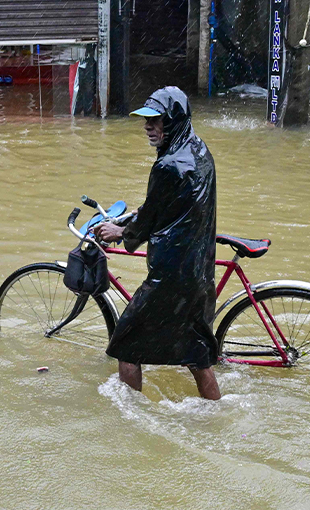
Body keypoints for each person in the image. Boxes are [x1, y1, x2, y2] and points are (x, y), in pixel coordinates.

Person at [93, 86, 221, 400]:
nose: (148, 128)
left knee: (126, 344)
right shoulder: (199, 150)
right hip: (198, 272)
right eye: (146, 121)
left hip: (172, 276)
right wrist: (141, 214)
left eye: (156, 121)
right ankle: (215, 411)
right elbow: (170, 206)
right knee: (196, 355)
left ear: (173, 121)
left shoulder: (167, 166)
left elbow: (151, 216)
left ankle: (128, 420)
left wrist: (120, 232)